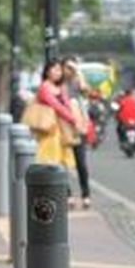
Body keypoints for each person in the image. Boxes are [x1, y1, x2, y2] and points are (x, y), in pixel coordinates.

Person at [33, 59, 80, 197]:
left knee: (61, 162)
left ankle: (61, 193)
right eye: (53, 69)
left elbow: (65, 104)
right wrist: (72, 118)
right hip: (48, 129)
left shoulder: (62, 87)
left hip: (62, 130)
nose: (57, 72)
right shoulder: (44, 87)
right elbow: (55, 106)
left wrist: (72, 117)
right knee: (48, 160)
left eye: (59, 70)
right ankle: (48, 193)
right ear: (47, 71)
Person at [62, 57, 94, 208]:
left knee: (81, 162)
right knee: (63, 163)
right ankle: (68, 194)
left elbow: (87, 90)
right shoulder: (59, 85)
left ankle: (86, 194)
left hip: (77, 127)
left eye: (71, 67)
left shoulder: (77, 82)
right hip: (62, 127)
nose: (68, 70)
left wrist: (78, 72)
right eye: (66, 67)